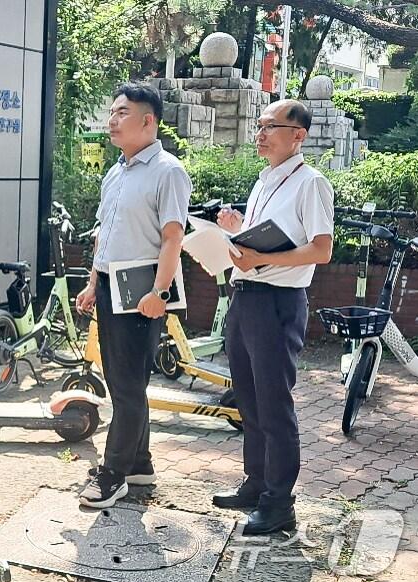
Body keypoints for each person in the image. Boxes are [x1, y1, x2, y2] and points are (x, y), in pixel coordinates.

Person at [213, 99, 334, 534]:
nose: (260, 134)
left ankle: (279, 503)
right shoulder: (264, 180)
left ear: (298, 135)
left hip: (278, 302)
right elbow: (261, 242)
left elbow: (321, 249)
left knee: (273, 403)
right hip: (246, 296)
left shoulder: (311, 183)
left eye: (270, 126)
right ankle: (257, 483)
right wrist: (235, 228)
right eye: (260, 125)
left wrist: (261, 258)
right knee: (247, 398)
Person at [75, 82, 192, 508]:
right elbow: (104, 235)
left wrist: (160, 291)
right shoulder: (116, 172)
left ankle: (113, 474)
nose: (112, 120)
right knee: (123, 382)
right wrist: (93, 283)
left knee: (126, 387)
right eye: (112, 112)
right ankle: (139, 464)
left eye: (121, 113)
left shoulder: (168, 171)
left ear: (148, 121)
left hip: (142, 291)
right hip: (110, 286)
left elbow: (173, 237)